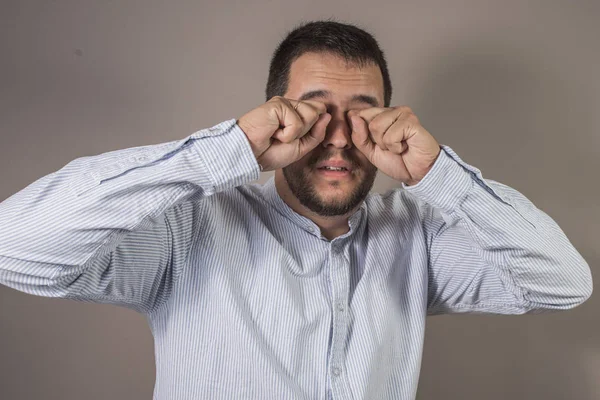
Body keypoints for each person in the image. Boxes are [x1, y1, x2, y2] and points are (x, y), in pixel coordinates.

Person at [0, 20, 592, 400]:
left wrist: (442, 176)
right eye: (314, 110)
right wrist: (228, 149)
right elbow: (15, 246)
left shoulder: (419, 235)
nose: (337, 138)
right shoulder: (190, 226)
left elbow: (562, 283)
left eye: (362, 112)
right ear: (274, 113)